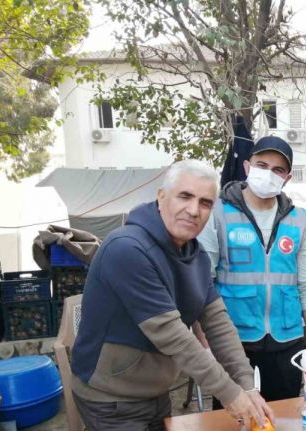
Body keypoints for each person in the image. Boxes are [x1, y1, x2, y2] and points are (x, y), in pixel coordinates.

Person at [71, 160, 273, 430]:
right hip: (111, 398)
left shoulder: (196, 255)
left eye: (205, 203)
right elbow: (174, 336)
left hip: (154, 390)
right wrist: (230, 393)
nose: (193, 210)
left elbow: (218, 324)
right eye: (185, 196)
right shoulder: (127, 249)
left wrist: (247, 385)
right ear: (161, 197)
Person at [198, 136, 306, 404]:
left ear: (287, 178)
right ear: (247, 167)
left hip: (287, 339)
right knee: (236, 418)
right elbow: (201, 284)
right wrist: (206, 344)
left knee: (283, 416)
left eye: (278, 170)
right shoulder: (218, 212)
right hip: (234, 342)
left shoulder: (298, 218)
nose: (269, 174)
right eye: (262, 165)